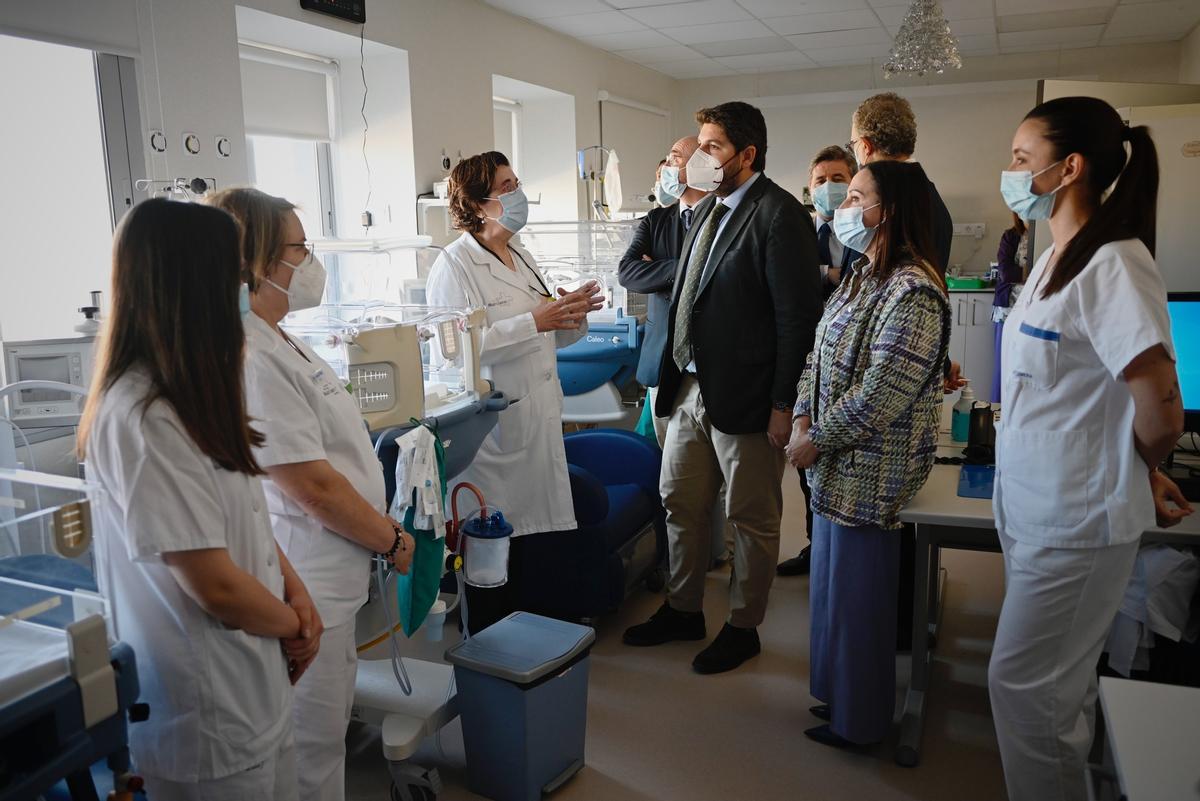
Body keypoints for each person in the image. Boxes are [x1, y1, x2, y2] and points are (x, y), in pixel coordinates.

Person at [988, 96, 1192, 801]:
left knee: (1023, 687)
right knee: (1054, 693)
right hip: (1035, 507)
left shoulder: (1113, 261)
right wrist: (1139, 464)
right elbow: (1078, 397)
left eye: (1021, 158)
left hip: (1075, 523)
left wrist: (1138, 468)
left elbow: (1163, 409)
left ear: (1068, 167)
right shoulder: (1054, 259)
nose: (1010, 172)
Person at [81, 199, 317, 799]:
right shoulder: (141, 416)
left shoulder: (195, 392)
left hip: (254, 689)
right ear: (189, 284)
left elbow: (244, 518)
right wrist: (294, 625)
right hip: (206, 721)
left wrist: (296, 591)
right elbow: (213, 583)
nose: (245, 287)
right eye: (235, 273)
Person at [207, 187, 414, 801]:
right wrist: (393, 538)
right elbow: (312, 487)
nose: (309, 261)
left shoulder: (278, 338)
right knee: (309, 748)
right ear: (258, 260)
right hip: (309, 572)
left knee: (323, 738)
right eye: (300, 248)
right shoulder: (249, 351)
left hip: (330, 573)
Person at [622, 101, 823, 674]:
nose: (701, 157)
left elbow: (796, 320)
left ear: (747, 154)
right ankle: (684, 607)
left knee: (752, 517)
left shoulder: (780, 215)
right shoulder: (707, 211)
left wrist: (786, 403)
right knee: (679, 502)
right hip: (686, 385)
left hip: (749, 395)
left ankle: (743, 624)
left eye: (711, 147)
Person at [786, 160, 951, 749]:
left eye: (857, 196)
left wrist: (814, 437)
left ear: (891, 210)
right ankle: (837, 699)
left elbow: (883, 392)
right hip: (832, 463)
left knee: (859, 602)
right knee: (831, 592)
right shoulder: (861, 276)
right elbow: (817, 355)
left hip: (871, 469)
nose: (843, 207)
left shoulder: (915, 290)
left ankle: (862, 724)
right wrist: (803, 411)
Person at [426, 151, 603, 633]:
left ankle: (533, 644)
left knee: (533, 550)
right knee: (493, 550)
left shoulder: (520, 253)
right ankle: (492, 651)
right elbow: (452, 350)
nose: (517, 192)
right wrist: (535, 320)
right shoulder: (454, 264)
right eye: (506, 186)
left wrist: (570, 313)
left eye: (515, 181)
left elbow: (546, 331)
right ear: (478, 203)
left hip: (536, 421)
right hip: (493, 435)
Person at [777, 144, 863, 578]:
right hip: (804, 363)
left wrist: (829, 276)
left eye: (838, 179)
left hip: (851, 368)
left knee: (844, 460)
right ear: (809, 190)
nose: (829, 188)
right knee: (805, 463)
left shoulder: (864, 233)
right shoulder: (799, 233)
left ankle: (843, 554)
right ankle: (816, 548)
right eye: (820, 181)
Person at [619, 135, 706, 446]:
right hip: (663, 359)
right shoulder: (656, 220)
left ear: (701, 166)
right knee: (669, 465)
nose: (667, 166)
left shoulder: (723, 218)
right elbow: (628, 272)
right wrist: (684, 266)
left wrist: (658, 267)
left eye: (675, 159)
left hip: (711, 363)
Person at [989, 212, 1028, 402]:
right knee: (1003, 366)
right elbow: (1005, 272)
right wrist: (1033, 271)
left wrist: (1022, 273)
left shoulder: (1046, 237)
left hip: (1031, 309)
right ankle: (998, 408)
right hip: (1007, 308)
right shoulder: (1011, 236)